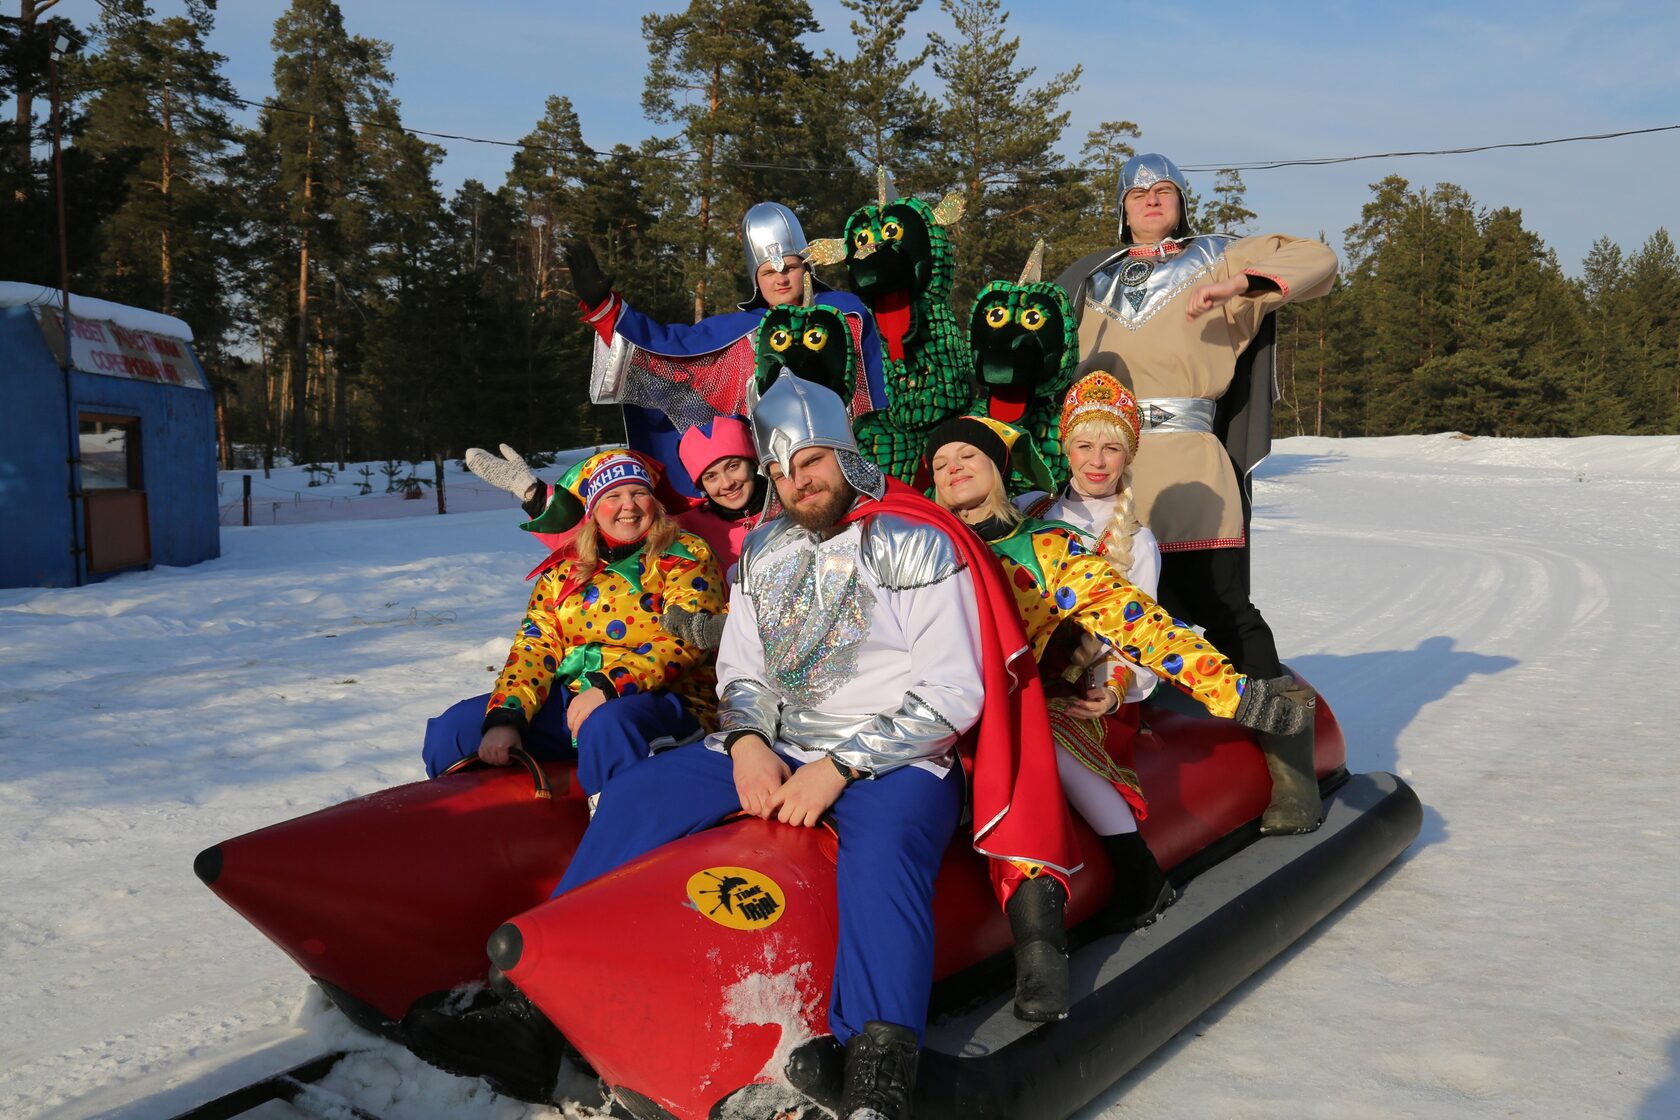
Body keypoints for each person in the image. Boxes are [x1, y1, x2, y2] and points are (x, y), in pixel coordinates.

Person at [408, 373, 1077, 1120]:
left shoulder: (914, 541)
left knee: (886, 864)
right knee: (637, 794)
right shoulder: (763, 549)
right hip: (777, 742)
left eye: (813, 461)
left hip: (896, 758)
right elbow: (743, 669)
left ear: (845, 454)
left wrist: (839, 767)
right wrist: (751, 741)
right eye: (782, 469)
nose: (798, 480)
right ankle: (533, 1009)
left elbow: (953, 690)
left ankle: (879, 1064)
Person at [926, 413, 1312, 1021]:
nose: (952, 468)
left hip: (1024, 708)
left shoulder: (1047, 550)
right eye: (940, 461)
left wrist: (1233, 692)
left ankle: (1041, 940)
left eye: (968, 457)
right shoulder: (913, 544)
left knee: (1022, 746)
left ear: (1001, 471)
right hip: (923, 715)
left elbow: (1138, 622)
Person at [1055, 152, 1338, 835]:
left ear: (1183, 201)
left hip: (1187, 461)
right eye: (1138, 193)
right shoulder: (1090, 277)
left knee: (1223, 608)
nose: (1151, 200)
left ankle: (1291, 774)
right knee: (1106, 615)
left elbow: (1319, 262)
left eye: (1165, 190)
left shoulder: (1218, 258)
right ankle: (1131, 762)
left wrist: (1240, 280)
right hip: (1103, 465)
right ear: (1120, 207)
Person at [419, 450, 724, 813]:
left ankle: (619, 831)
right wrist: (508, 716)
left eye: (638, 493)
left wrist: (607, 687)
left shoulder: (685, 554)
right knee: (456, 729)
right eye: (613, 496)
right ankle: (472, 822)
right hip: (576, 700)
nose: (628, 505)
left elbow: (684, 640)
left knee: (608, 725)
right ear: (594, 509)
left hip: (668, 698)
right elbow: (536, 645)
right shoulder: (566, 568)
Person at [571, 202, 887, 489]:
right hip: (772, 476)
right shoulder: (738, 332)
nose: (781, 279)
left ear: (807, 268)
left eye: (789, 267)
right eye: (768, 272)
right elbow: (667, 352)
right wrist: (606, 310)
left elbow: (881, 372)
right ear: (755, 279)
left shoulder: (847, 315)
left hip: (853, 458)